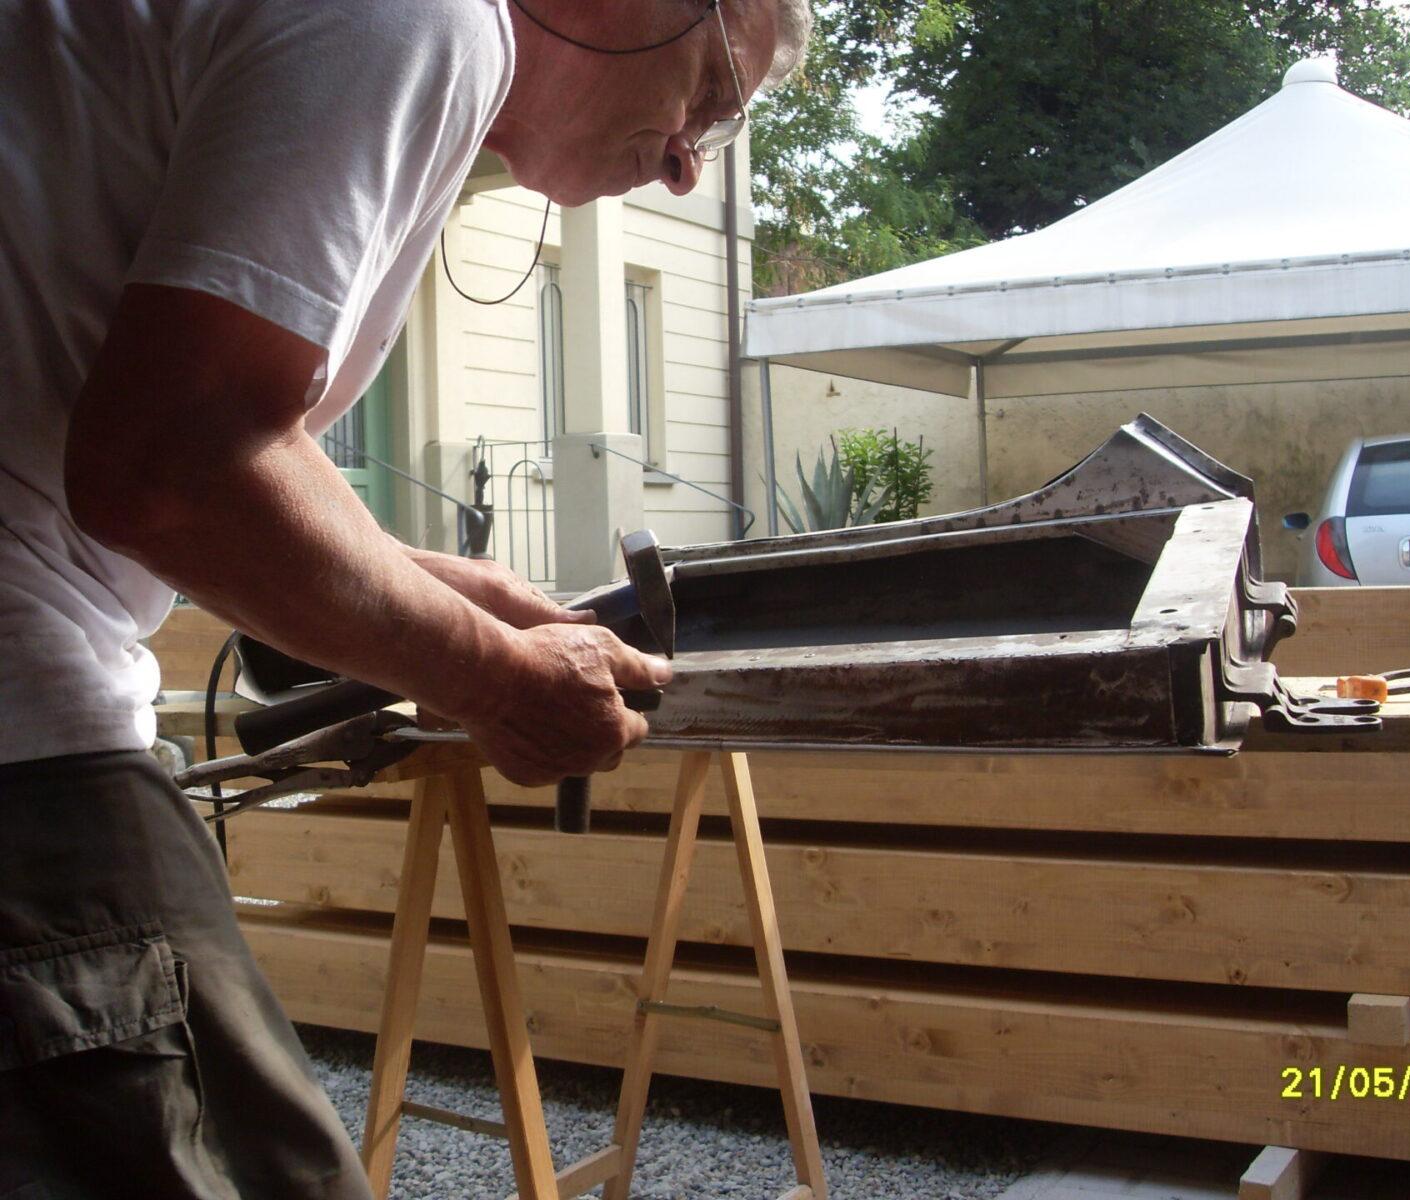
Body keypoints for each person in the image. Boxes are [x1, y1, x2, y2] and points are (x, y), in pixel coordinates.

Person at [0, 1, 812, 1196]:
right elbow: (166, 471)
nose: (691, 164)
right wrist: (492, 678)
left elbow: (165, 423)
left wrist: (441, 590)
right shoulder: (422, 19)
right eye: (713, 91)